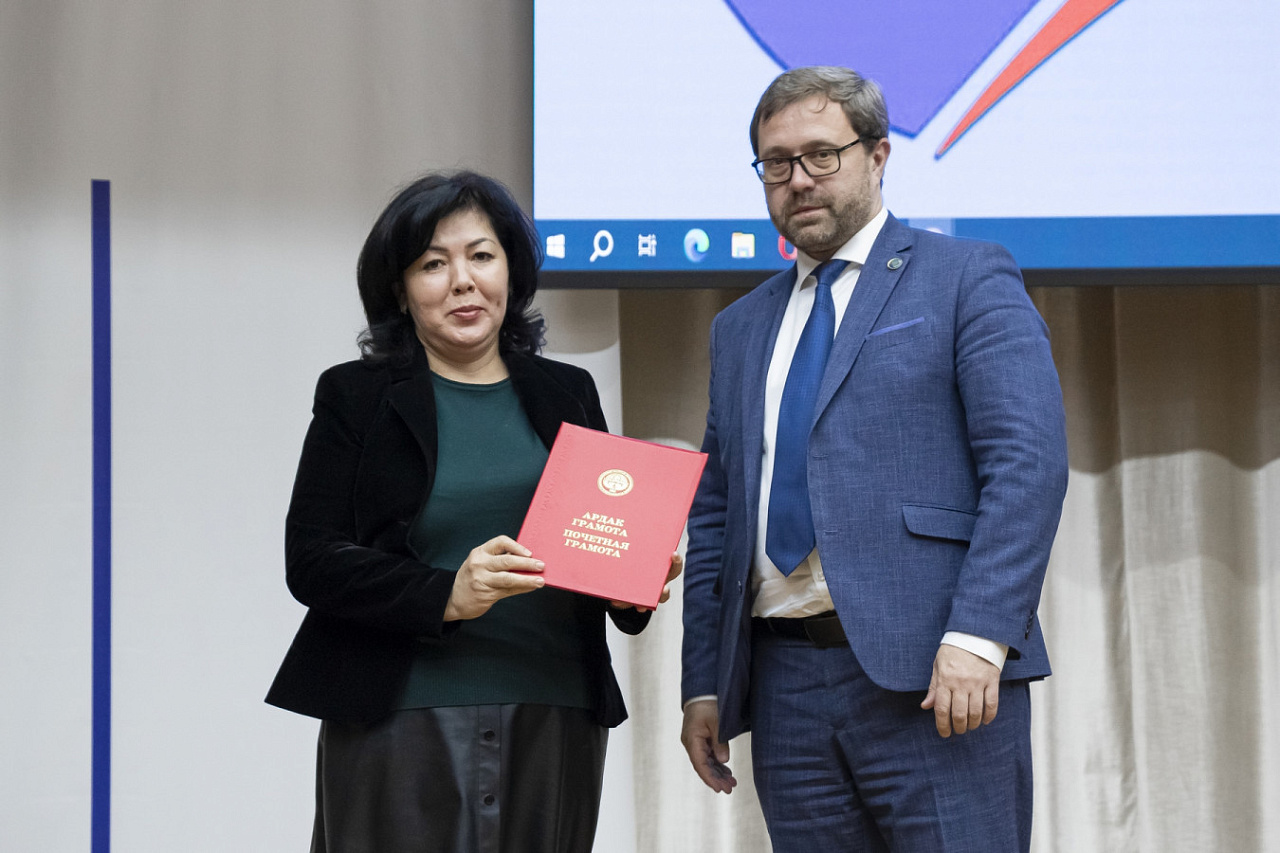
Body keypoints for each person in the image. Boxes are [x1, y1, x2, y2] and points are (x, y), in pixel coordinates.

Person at [679, 66, 1069, 852]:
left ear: (878, 155)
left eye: (822, 155)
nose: (799, 179)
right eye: (777, 163)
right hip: (786, 689)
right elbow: (716, 513)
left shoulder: (965, 277)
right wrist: (703, 681)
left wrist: (980, 635)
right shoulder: (739, 328)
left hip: (937, 674)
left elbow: (1026, 464)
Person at [266, 170, 680, 853]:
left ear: (510, 270)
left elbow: (595, 544)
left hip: (556, 707)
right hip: (398, 711)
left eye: (481, 256)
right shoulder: (356, 395)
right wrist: (446, 593)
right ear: (400, 288)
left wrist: (631, 581)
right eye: (433, 264)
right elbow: (312, 560)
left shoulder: (568, 391)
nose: (463, 281)